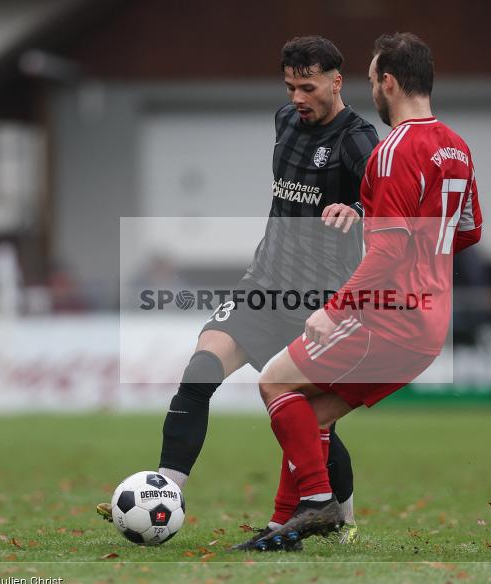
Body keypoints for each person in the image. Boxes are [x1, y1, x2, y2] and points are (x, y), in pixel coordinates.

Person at [98, 36, 380, 544]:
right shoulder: (285, 120)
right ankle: (165, 489)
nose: (298, 97)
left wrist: (358, 210)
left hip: (315, 304)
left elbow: (393, 202)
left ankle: (342, 518)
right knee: (201, 367)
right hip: (262, 285)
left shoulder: (358, 140)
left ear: (337, 82)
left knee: (312, 423)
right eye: (291, 85)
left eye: (309, 87)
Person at [234, 32, 483, 551]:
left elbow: (388, 252)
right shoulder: (457, 147)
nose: (371, 89)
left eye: (372, 79)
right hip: (431, 324)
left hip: (389, 314)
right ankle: (286, 527)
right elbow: (468, 230)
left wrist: (336, 307)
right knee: (312, 415)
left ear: (387, 81)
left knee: (276, 384)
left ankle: (320, 504)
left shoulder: (393, 150)